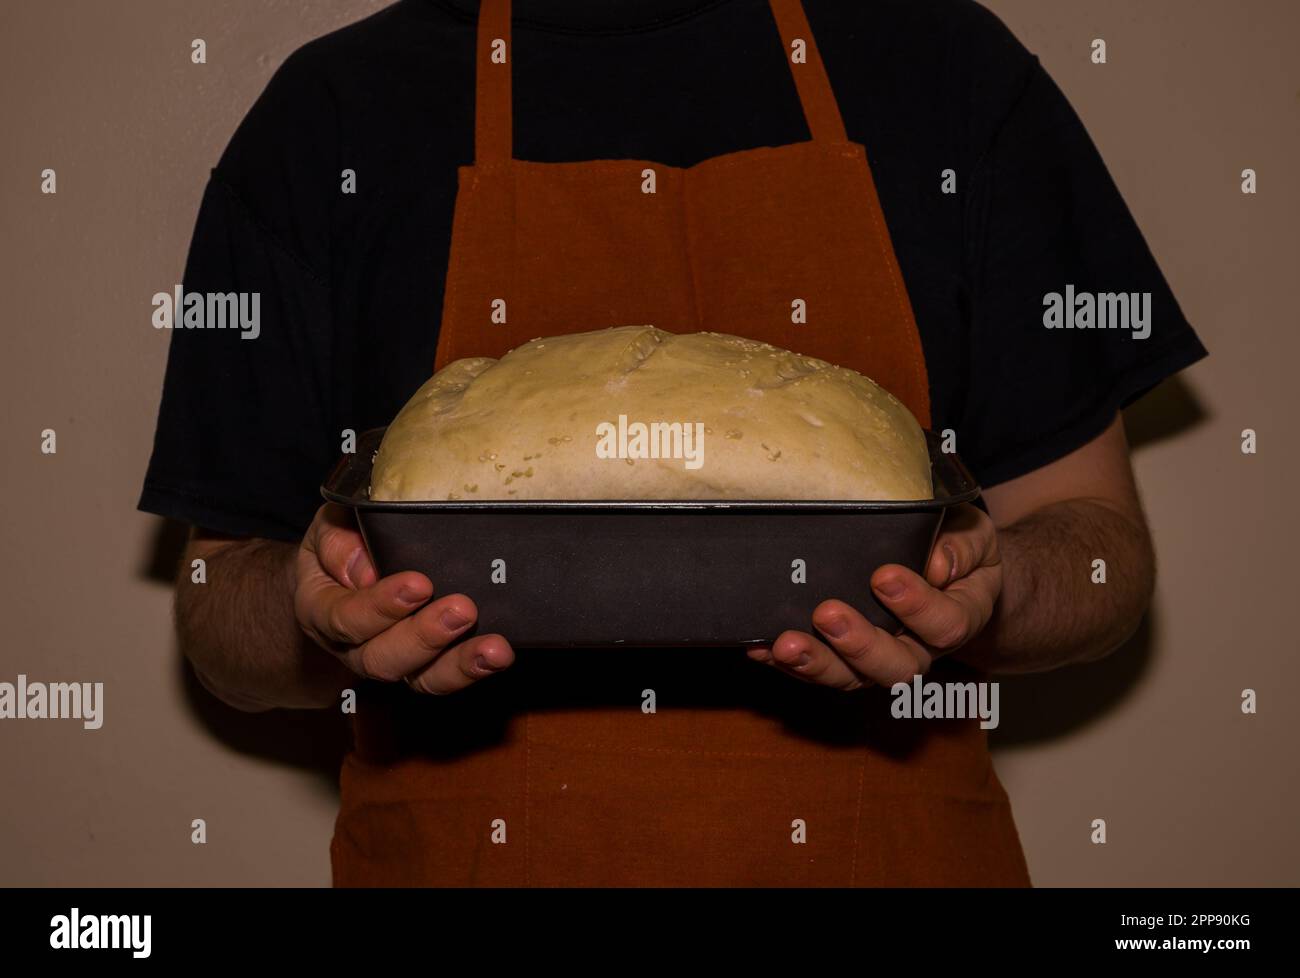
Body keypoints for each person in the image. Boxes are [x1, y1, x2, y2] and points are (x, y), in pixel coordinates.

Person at [139, 0, 1208, 886]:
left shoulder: (949, 68)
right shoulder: (331, 115)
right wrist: (306, 609)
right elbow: (214, 595)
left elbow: (1099, 549)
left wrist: (992, 584)